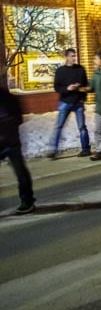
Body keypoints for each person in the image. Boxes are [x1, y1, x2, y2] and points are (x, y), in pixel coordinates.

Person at [48, 48, 91, 159]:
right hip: (65, 101)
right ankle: (53, 150)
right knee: (59, 126)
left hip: (78, 102)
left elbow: (85, 85)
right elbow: (57, 87)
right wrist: (67, 88)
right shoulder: (60, 71)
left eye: (74, 56)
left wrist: (82, 94)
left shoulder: (80, 69)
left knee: (82, 127)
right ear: (66, 57)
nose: (73, 58)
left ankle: (86, 149)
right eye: (71, 56)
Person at [0, 86, 36, 214]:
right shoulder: (9, 97)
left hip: (10, 140)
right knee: (21, 171)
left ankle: (27, 201)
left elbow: (18, 118)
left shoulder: (8, 98)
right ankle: (27, 201)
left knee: (20, 171)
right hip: (10, 138)